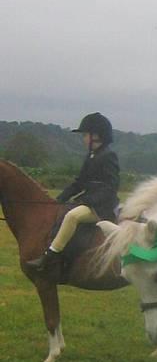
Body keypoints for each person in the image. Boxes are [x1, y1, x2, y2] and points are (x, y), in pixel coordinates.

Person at [27, 112, 120, 273]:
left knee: (72, 216)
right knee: (62, 212)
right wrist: (59, 199)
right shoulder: (91, 156)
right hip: (89, 201)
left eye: (85, 135)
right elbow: (79, 183)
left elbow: (111, 187)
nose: (83, 139)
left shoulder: (108, 156)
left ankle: (51, 254)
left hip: (102, 206)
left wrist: (89, 201)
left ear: (96, 136)